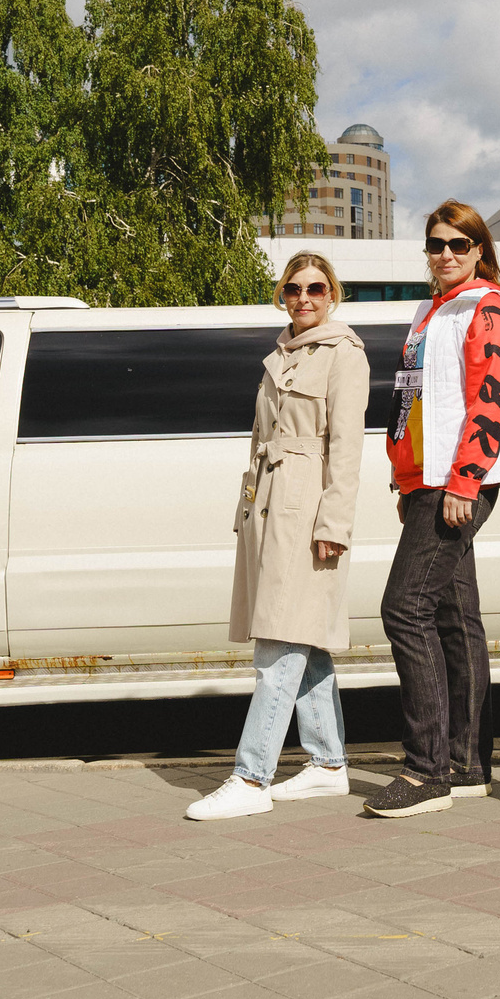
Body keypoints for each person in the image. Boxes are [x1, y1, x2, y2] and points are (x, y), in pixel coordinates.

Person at [188, 253, 370, 819]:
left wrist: (334, 524)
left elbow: (347, 448)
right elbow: (260, 440)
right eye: (294, 288)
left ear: (333, 292)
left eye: (316, 288)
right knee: (304, 637)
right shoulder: (279, 355)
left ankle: (251, 775)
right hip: (266, 508)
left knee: (279, 642)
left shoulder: (345, 354)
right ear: (281, 294)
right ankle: (327, 763)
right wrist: (245, 510)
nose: (305, 298)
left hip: (307, 509)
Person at [366, 201, 500, 818]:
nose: (448, 254)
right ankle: (467, 763)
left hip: (458, 482)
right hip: (426, 482)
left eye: (460, 243)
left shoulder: (487, 309)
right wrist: (405, 482)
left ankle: (425, 768)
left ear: (480, 249)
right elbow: (410, 405)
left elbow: (490, 401)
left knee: (403, 609)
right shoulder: (428, 311)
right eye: (437, 245)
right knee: (456, 621)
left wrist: (463, 482)